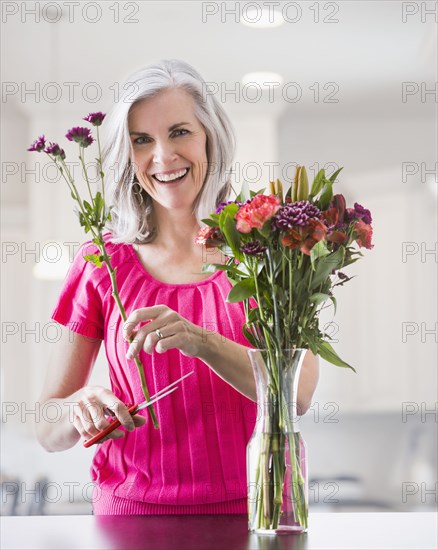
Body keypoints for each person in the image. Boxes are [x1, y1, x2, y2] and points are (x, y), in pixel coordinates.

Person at [36, 59, 319, 515]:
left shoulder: (268, 249)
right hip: (133, 517)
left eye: (180, 132)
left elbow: (298, 393)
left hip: (260, 512)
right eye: (141, 140)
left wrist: (199, 339)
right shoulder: (102, 262)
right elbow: (46, 428)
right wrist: (77, 408)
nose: (163, 157)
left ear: (211, 135)